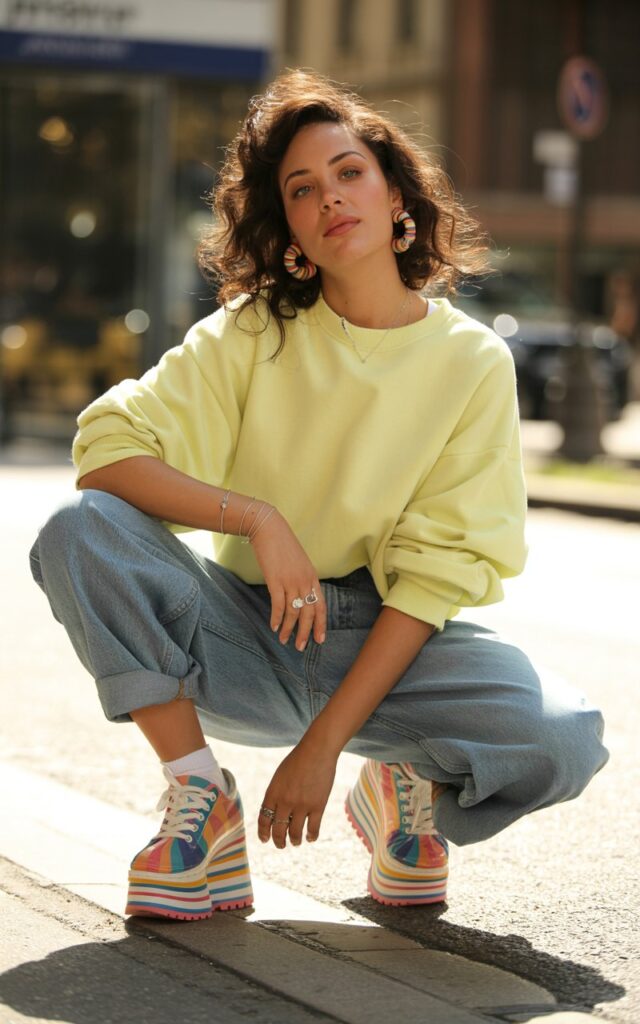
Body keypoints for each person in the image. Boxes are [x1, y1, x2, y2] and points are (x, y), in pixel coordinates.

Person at [30, 69, 608, 921]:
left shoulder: (471, 363)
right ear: (291, 226)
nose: (330, 198)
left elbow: (435, 577)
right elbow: (106, 449)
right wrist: (256, 518)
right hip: (246, 632)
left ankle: (399, 784)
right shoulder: (255, 331)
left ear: (393, 192)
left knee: (563, 737)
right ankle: (203, 806)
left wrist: (324, 748)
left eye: (348, 172)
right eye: (303, 189)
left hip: (391, 648)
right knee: (80, 530)